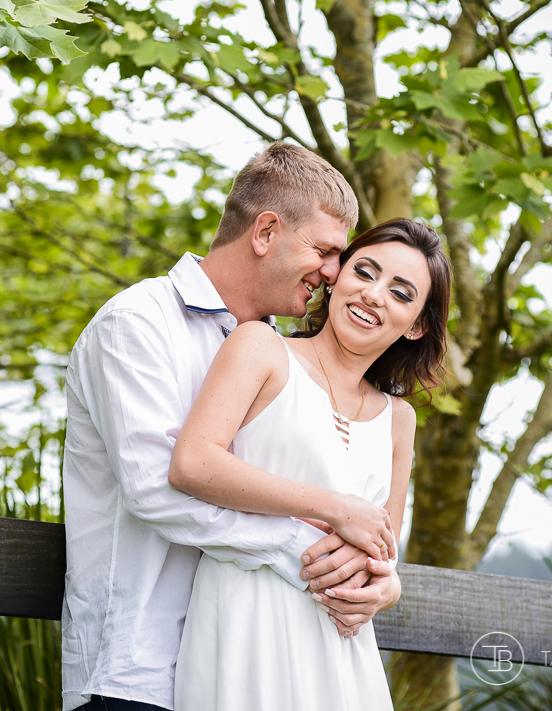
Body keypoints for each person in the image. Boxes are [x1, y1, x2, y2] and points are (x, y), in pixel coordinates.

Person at [61, 142, 402, 711]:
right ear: (265, 232)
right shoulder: (137, 324)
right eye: (323, 250)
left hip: (246, 672)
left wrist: (378, 582)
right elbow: (156, 490)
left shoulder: (280, 359)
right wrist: (309, 549)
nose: (334, 273)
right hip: (135, 673)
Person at [168, 218, 452, 709]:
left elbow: (383, 552)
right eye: (364, 272)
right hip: (246, 623)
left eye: (401, 293)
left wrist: (388, 587)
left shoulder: (398, 421)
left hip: (340, 649)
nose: (373, 295)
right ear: (337, 276)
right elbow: (193, 462)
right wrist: (336, 508)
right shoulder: (261, 347)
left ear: (417, 325)